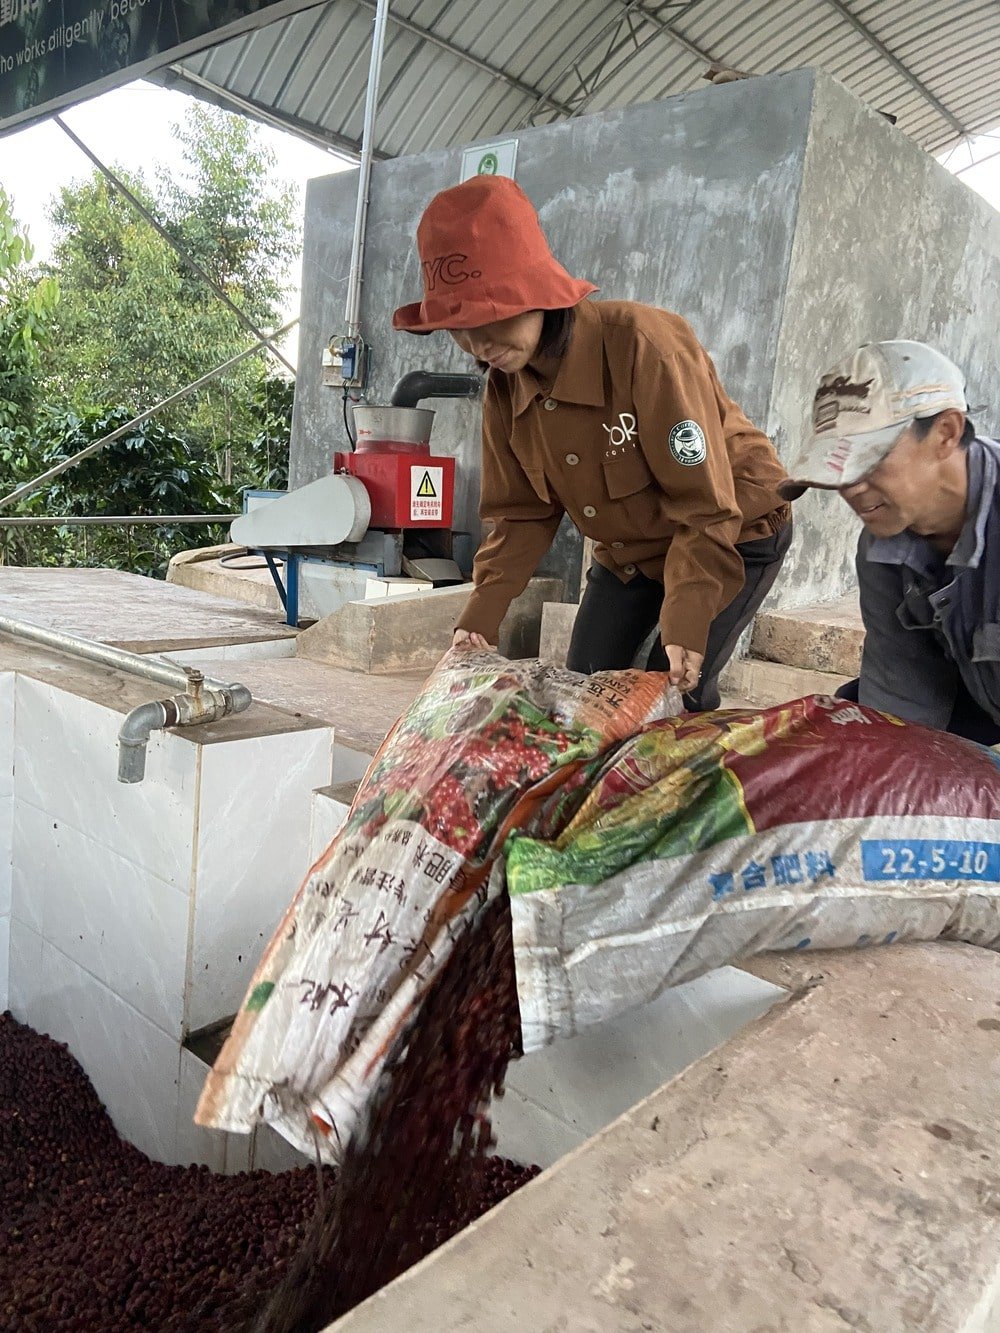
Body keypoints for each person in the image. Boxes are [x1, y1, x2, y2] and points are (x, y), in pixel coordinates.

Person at [392, 176, 792, 709]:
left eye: (489, 316)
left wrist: (689, 614)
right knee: (584, 694)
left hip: (732, 528)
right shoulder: (504, 385)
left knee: (670, 697)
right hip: (631, 551)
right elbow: (521, 513)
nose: (478, 344)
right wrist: (481, 615)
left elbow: (705, 503)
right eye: (456, 328)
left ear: (538, 295)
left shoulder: (646, 346)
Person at [779, 340, 1000, 746]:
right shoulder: (882, 550)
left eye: (869, 459)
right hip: (978, 703)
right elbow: (903, 702)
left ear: (946, 433)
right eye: (838, 469)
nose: (851, 488)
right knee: (846, 741)